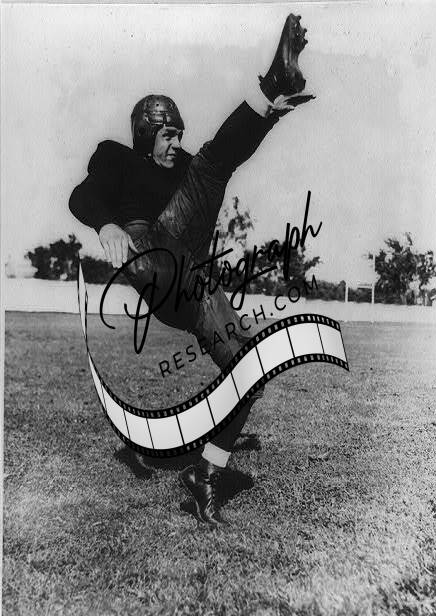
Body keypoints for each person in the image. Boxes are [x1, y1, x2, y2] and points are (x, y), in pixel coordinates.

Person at [69, 13, 315, 525]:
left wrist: (266, 117)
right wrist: (107, 225)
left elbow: (225, 153)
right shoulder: (117, 158)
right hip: (149, 254)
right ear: (144, 135)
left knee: (250, 370)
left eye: (179, 134)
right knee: (205, 169)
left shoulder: (184, 167)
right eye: (166, 135)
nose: (175, 143)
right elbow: (82, 195)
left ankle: (205, 474)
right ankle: (271, 81)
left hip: (191, 277)